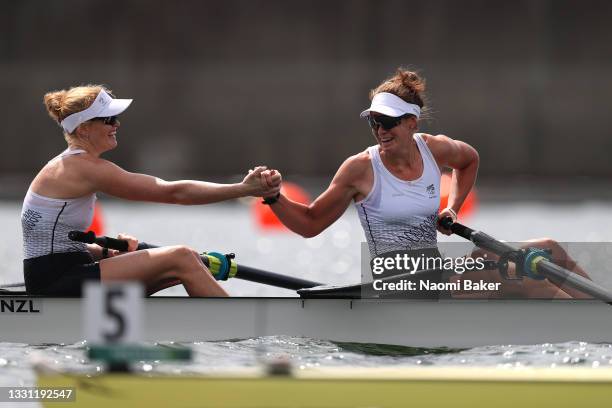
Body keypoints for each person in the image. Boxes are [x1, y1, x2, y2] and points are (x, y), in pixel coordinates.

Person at [261, 68, 591, 299]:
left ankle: (600, 320)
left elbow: (470, 159)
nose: (380, 131)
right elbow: (309, 224)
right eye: (375, 123)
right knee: (519, 275)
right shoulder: (360, 169)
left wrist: (452, 208)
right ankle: (592, 333)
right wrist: (275, 197)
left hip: (434, 273)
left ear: (410, 123)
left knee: (547, 248)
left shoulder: (433, 148)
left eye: (388, 123)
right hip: (398, 282)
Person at [22, 84, 281, 297]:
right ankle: (241, 332)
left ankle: (224, 323)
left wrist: (106, 252)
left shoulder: (67, 165)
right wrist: (243, 189)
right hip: (56, 281)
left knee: (186, 260)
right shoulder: (84, 168)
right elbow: (173, 193)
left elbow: (54, 242)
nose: (117, 124)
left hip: (62, 271)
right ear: (83, 128)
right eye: (108, 119)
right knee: (181, 257)